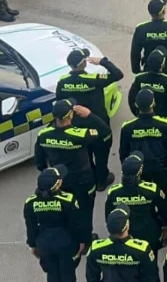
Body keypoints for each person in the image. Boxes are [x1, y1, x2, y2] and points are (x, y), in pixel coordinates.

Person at [57, 48, 124, 190]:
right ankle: (102, 180)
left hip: (77, 127)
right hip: (98, 124)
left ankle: (92, 177)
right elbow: (118, 74)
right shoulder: (94, 80)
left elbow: (60, 103)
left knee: (85, 156)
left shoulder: (62, 82)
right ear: (84, 64)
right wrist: (102, 62)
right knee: (101, 155)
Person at [35, 100, 101, 237]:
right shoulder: (82, 134)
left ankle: (69, 235)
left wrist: (49, 176)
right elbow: (103, 130)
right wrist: (89, 115)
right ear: (71, 115)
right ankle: (86, 239)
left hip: (59, 180)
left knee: (64, 209)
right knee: (85, 210)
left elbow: (40, 162)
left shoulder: (43, 135)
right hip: (83, 181)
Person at [25, 166, 88, 282]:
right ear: (57, 184)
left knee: (51, 273)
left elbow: (31, 226)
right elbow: (76, 224)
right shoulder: (68, 200)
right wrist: (82, 241)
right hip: (66, 243)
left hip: (44, 243)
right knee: (68, 275)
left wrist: (32, 244)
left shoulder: (31, 202)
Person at [105, 154, 167, 257]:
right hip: (150, 232)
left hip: (126, 234)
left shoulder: (113, 192)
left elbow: (109, 215)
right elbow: (164, 209)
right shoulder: (151, 190)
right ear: (140, 171)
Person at [119, 90, 167, 194]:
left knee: (143, 196)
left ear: (136, 105)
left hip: (139, 168)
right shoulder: (165, 124)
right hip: (162, 167)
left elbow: (123, 152)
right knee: (163, 195)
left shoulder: (127, 127)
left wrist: (129, 168)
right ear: (153, 103)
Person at [86, 208, 157, 282]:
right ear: (127, 226)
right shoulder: (142, 248)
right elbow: (152, 278)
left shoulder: (95, 248)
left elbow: (91, 278)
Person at [129, 47, 167, 128]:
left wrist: (138, 114)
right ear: (162, 64)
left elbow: (131, 99)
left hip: (143, 120)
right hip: (164, 121)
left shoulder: (140, 78)